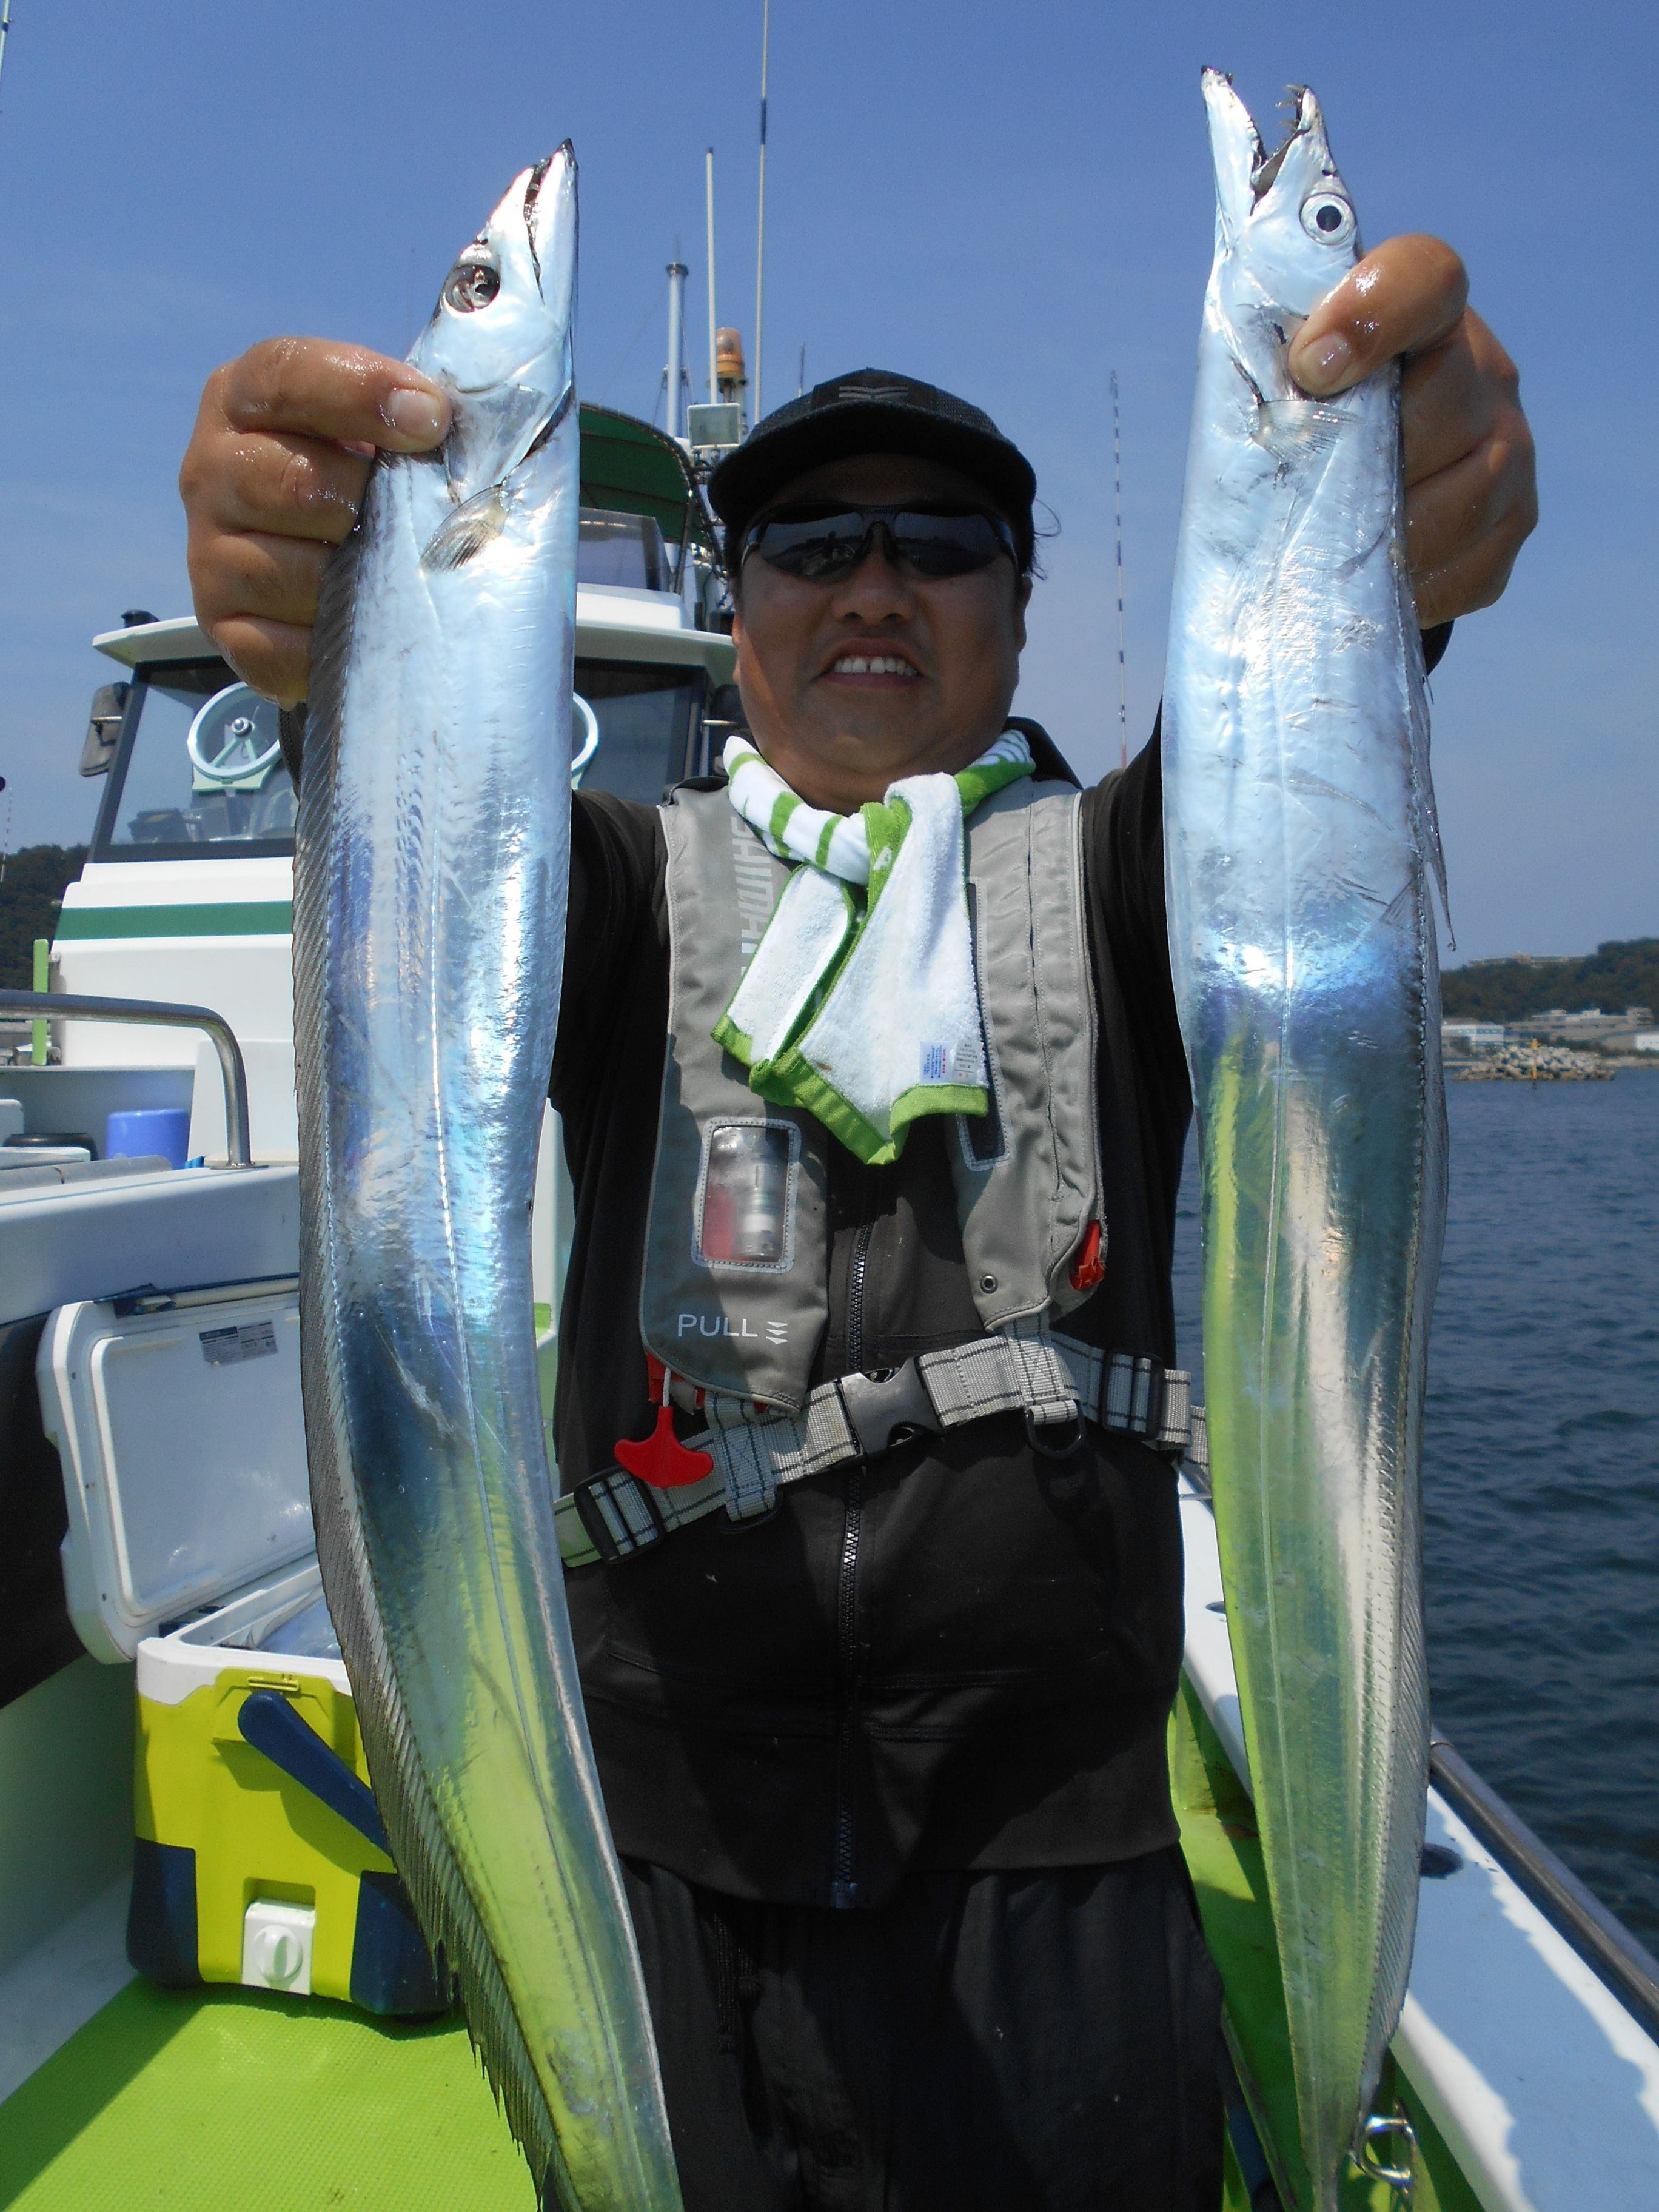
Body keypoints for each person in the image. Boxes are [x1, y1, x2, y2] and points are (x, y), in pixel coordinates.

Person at [179, 233, 1534, 2212]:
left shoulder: (1135, 879)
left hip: (1061, 1876)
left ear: (1019, 609)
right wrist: (340, 628)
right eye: (811, 545)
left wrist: (1378, 531)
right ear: (737, 614)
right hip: (670, 1856)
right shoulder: (613, 899)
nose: (876, 583)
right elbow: (440, 848)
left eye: (943, 542)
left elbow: (1292, 766)